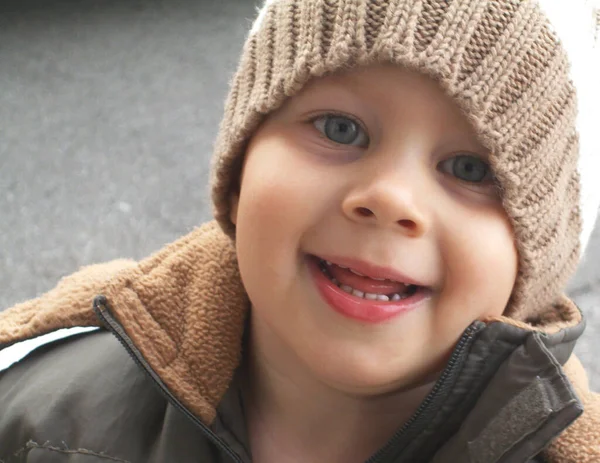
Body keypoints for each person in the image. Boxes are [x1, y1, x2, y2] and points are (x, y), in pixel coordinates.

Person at [1, 0, 599, 461]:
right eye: (340, 129)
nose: (390, 199)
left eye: (471, 170)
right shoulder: (45, 416)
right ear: (239, 170)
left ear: (537, 257)